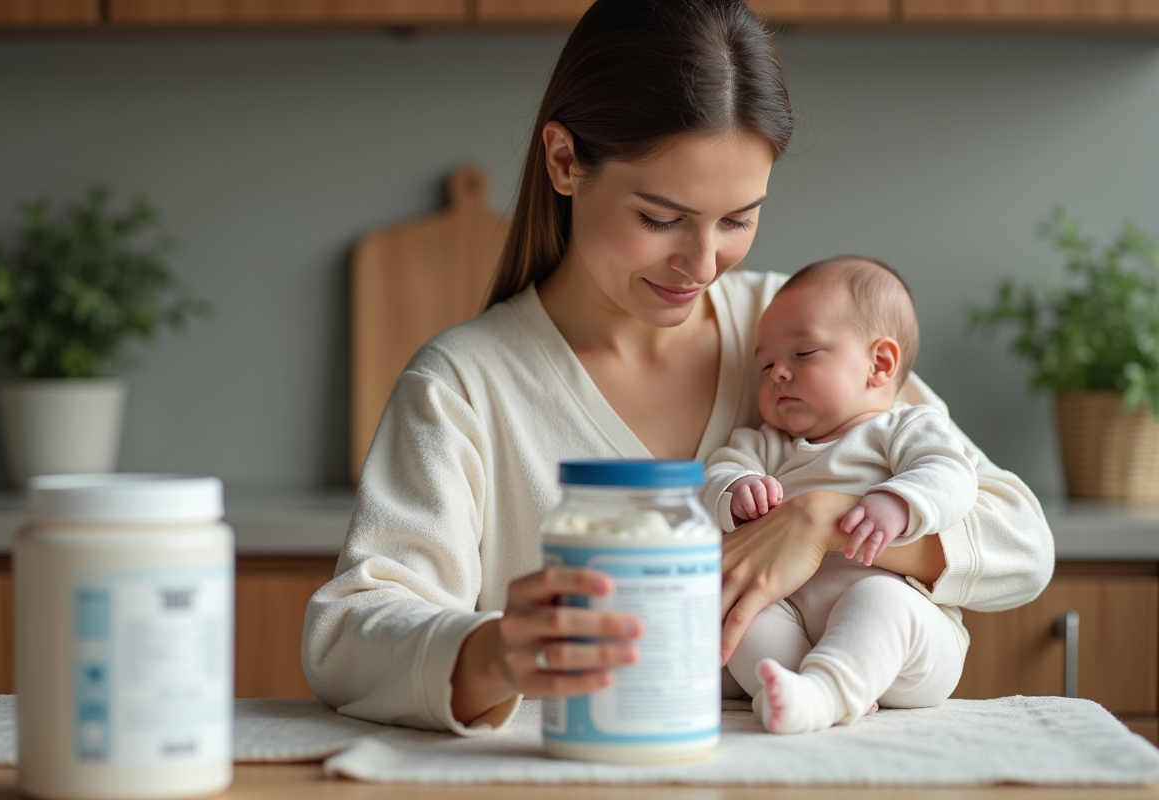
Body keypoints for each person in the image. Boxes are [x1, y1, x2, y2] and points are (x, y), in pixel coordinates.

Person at [300, 0, 1054, 736]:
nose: (701, 265)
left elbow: (1018, 541)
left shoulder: (797, 335)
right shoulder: (463, 387)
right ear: (565, 162)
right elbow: (348, 635)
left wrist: (820, 520)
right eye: (660, 219)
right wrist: (497, 651)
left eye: (737, 220)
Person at [703, 256, 978, 734]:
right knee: (745, 613)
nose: (777, 374)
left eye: (803, 354)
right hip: (796, 627)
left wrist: (898, 501)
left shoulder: (906, 425)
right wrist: (735, 489)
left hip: (909, 646)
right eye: (766, 364)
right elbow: (716, 471)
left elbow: (951, 474)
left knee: (879, 597)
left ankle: (830, 691)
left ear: (880, 363)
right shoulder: (768, 443)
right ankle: (795, 690)